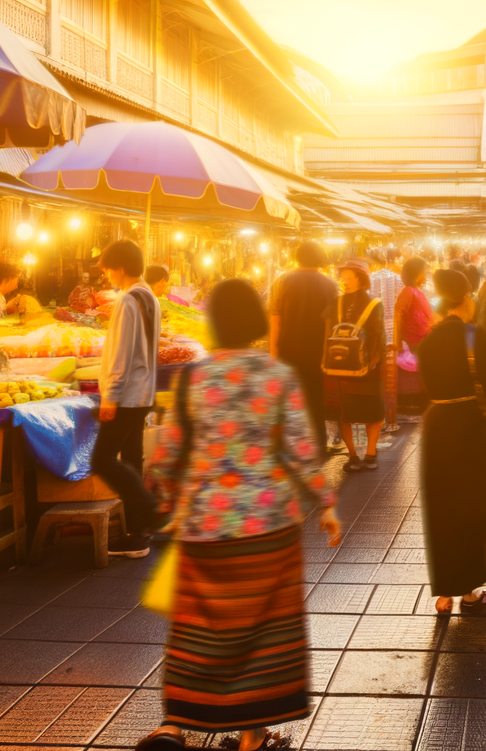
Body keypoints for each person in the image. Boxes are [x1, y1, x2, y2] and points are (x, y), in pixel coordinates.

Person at [141, 278, 340, 751]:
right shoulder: (276, 376)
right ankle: (253, 735)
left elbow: (167, 454)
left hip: (205, 525)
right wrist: (326, 504)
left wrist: (166, 496)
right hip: (268, 526)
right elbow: (300, 449)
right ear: (255, 321)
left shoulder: (194, 377)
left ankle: (174, 724)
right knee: (265, 633)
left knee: (197, 628)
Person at [418, 268, 486, 613]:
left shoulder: (428, 340)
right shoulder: (474, 337)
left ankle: (444, 594)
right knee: (470, 509)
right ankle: (469, 595)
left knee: (441, 509)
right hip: (468, 430)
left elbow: (424, 389)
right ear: (465, 300)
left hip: (436, 427)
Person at [96, 239, 162, 557]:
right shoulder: (150, 296)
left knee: (102, 459)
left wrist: (110, 397)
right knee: (132, 458)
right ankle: (138, 536)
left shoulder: (127, 300)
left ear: (119, 268)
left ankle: (149, 509)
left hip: (126, 395)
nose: (106, 275)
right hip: (144, 392)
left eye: (107, 269)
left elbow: (121, 354)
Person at [269, 240, 339, 456]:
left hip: (288, 351)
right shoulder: (330, 284)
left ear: (297, 257)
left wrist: (273, 354)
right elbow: (333, 323)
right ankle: (317, 445)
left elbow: (275, 319)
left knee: (289, 400)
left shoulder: (282, 281)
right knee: (316, 400)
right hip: (318, 353)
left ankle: (289, 447)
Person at [325, 260, 385, 471]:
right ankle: (367, 455)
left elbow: (327, 334)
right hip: (367, 370)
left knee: (346, 414)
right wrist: (378, 363)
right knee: (372, 414)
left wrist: (326, 362)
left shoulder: (336, 303)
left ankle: (357, 457)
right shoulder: (375, 304)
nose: (345, 281)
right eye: (343, 278)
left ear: (361, 279)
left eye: (349, 277)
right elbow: (380, 339)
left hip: (341, 367)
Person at [394, 256, 435, 421]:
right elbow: (398, 314)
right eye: (424, 271)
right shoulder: (408, 291)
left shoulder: (416, 290)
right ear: (416, 273)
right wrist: (397, 341)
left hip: (422, 340)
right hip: (413, 341)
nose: (426, 274)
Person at [369, 248, 404, 433]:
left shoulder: (367, 280)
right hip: (393, 336)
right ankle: (391, 421)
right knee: (390, 381)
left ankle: (376, 420)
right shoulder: (398, 279)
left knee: (375, 379)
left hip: (373, 335)